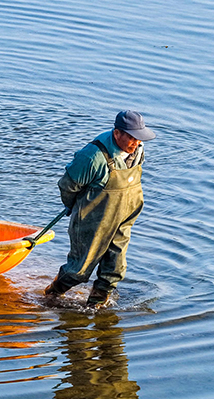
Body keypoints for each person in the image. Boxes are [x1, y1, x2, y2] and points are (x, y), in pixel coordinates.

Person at [44, 110, 156, 308]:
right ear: (117, 133)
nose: (137, 143)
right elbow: (67, 186)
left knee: (115, 267)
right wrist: (73, 206)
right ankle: (51, 295)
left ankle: (96, 303)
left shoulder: (138, 149)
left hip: (125, 215)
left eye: (139, 137)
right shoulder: (92, 156)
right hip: (93, 218)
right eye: (132, 137)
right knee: (80, 269)